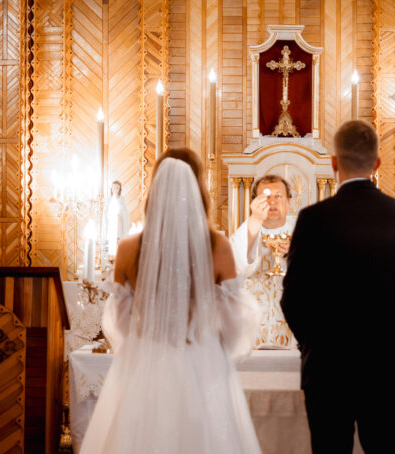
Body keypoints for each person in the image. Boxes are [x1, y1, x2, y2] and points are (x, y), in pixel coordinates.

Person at [79, 149, 262, 454]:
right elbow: (232, 327)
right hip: (201, 363)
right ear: (198, 189)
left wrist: (146, 343)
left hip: (144, 362)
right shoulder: (218, 246)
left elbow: (120, 323)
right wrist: (207, 345)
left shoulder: (128, 248)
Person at [281, 120, 395, 453]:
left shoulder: (313, 219)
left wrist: (315, 343)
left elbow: (293, 300)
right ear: (377, 164)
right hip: (387, 366)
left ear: (334, 163)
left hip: (328, 367)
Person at [230, 175, 296, 348]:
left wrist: (297, 253)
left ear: (289, 202)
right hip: (253, 324)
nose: (272, 202)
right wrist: (256, 220)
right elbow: (236, 267)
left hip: (292, 322)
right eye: (265, 197)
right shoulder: (247, 230)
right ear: (254, 202)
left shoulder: (303, 230)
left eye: (278, 196)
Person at [106, 180, 130, 255]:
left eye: (117, 188)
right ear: (111, 189)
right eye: (114, 187)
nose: (115, 189)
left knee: (119, 242)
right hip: (111, 225)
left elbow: (125, 213)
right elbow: (105, 213)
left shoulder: (122, 200)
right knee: (111, 244)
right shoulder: (108, 200)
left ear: (120, 189)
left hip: (119, 225)